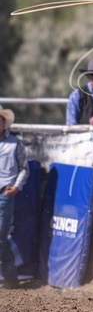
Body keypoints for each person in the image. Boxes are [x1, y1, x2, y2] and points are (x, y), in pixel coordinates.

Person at [0, 107, 29, 289]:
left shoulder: (15, 143)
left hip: (5, 193)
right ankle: (11, 279)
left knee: (0, 238)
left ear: (3, 122)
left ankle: (11, 279)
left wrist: (17, 187)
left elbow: (24, 168)